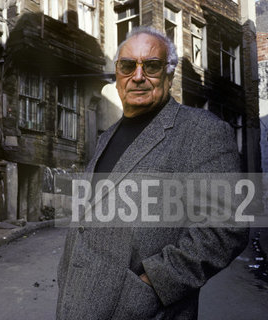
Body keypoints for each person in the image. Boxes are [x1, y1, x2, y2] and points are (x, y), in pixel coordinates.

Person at [56, 27, 249, 319]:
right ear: (118, 74)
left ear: (169, 76)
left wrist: (152, 284)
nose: (137, 76)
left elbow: (227, 227)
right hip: (79, 302)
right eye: (127, 65)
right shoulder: (107, 135)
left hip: (140, 310)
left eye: (152, 66)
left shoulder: (201, 130)